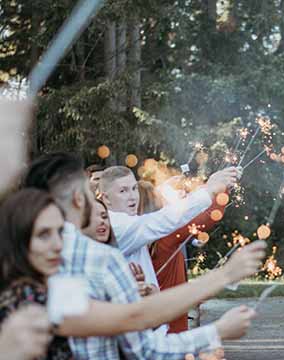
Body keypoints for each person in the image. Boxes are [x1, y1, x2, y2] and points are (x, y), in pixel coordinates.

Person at [23, 152, 266, 359]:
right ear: (81, 198)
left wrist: (132, 295)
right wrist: (219, 320)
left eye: (132, 189)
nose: (131, 196)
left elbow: (84, 320)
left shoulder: (27, 258)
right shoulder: (98, 253)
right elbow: (142, 347)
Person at [98, 165, 239, 292]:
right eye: (123, 191)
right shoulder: (115, 226)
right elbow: (166, 219)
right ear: (106, 198)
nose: (132, 197)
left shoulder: (128, 223)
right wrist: (211, 190)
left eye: (134, 188)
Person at [0, 189, 73, 359]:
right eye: (43, 235)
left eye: (60, 231)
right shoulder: (29, 297)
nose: (58, 245)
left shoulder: (15, 289)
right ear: (19, 240)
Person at [138, 180, 213, 333]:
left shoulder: (130, 233)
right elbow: (207, 218)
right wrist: (219, 190)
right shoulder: (166, 235)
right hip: (171, 317)